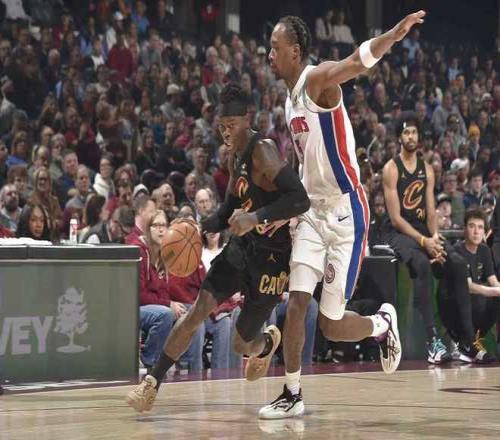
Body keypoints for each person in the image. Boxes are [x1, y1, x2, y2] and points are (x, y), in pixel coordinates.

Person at [259, 12, 425, 419]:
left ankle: (381, 325)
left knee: (331, 325)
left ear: (295, 51)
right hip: (311, 213)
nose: (269, 55)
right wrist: (287, 209)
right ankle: (292, 392)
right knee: (297, 302)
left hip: (346, 210)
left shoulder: (317, 80)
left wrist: (393, 35)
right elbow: (303, 162)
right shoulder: (289, 100)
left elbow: (356, 61)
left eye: (275, 48)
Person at [126, 82, 310, 412]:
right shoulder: (235, 155)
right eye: (221, 126)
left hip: (272, 260)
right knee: (198, 310)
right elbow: (228, 210)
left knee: (242, 343)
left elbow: (300, 199)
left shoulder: (263, 151)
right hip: (242, 249)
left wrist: (255, 217)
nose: (225, 132)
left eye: (231, 125)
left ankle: (266, 343)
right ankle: (152, 383)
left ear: (247, 119)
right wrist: (200, 227)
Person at [383, 115, 474, 365]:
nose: (410, 136)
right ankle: (433, 342)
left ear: (419, 136)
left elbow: (431, 209)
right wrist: (424, 242)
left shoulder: (427, 169)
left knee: (456, 263)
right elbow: (395, 218)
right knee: (422, 264)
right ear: (399, 138)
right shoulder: (391, 169)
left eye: (414, 132)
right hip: (400, 233)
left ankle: (465, 340)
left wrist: (434, 237)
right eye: (406, 133)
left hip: (424, 229)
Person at [437, 208, 499, 363]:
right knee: (481, 297)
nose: (476, 231)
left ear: (484, 232)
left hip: (473, 305)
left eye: (480, 227)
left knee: (496, 301)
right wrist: (495, 291)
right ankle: (464, 342)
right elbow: (468, 287)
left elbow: (493, 280)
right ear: (465, 229)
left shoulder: (484, 250)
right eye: (472, 226)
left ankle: (470, 342)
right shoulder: (457, 252)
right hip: (452, 307)